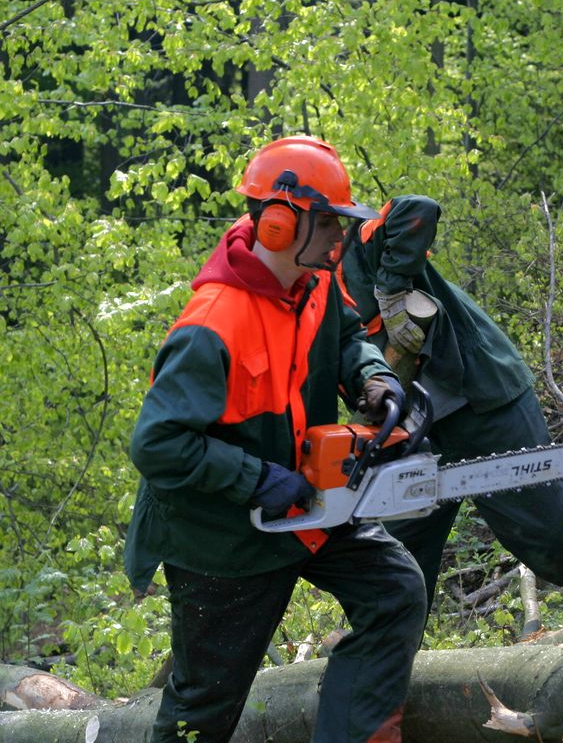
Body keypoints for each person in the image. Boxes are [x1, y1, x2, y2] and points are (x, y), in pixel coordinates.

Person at [123, 135, 427, 742]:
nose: (342, 237)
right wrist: (256, 478)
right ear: (281, 223)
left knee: (395, 590)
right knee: (202, 713)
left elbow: (344, 336)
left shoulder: (312, 282)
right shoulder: (212, 325)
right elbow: (157, 446)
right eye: (330, 223)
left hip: (309, 505)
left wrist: (372, 378)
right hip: (220, 542)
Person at [337, 195, 563, 611]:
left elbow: (417, 209)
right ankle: (387, 661)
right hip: (410, 434)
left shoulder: (359, 243)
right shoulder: (302, 303)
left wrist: (391, 291)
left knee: (549, 539)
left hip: (482, 400)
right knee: (394, 562)